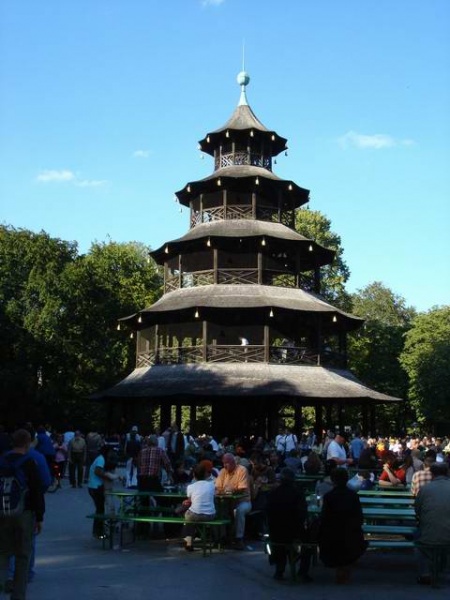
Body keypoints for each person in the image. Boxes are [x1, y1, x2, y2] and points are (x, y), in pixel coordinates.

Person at [0, 429, 45, 600]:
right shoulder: (29, 462)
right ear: (27, 443)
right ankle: (18, 595)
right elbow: (37, 491)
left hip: (2, 511)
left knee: (2, 552)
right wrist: (39, 517)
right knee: (22, 554)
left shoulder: (2, 460)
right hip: (24, 513)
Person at [319, 468, 367, 584]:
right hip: (350, 532)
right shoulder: (353, 496)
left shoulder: (329, 496)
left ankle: (340, 569)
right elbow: (359, 516)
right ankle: (344, 568)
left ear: (333, 480)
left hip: (333, 533)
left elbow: (325, 517)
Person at [266, 467, 312, 582]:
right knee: (309, 543)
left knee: (279, 541)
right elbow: (302, 515)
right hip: (293, 533)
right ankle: (303, 572)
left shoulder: (273, 493)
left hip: (275, 532)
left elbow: (267, 513)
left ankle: (279, 570)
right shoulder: (298, 493)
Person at [415, 462, 450, 585]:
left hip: (428, 537)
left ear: (432, 474)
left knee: (417, 537)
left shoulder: (424, 489)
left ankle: (424, 573)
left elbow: (417, 511)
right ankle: (442, 567)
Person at [215, 453, 252, 550]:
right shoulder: (222, 471)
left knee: (239, 511)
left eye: (226, 463)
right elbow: (218, 488)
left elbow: (242, 488)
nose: (224, 465)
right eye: (223, 463)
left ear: (233, 462)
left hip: (243, 501)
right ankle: (222, 537)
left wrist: (229, 490)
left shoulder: (242, 470)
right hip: (227, 501)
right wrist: (226, 491)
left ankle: (239, 538)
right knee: (218, 510)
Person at [182, 463, 216, 551]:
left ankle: (189, 541)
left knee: (188, 515)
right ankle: (214, 538)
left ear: (193, 475)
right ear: (205, 474)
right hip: (210, 515)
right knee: (191, 515)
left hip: (195, 515)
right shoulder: (211, 485)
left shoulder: (190, 487)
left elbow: (190, 502)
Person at [87, 445, 115, 539]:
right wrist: (108, 476)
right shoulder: (101, 459)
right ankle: (98, 532)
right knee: (100, 510)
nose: (112, 454)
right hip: (96, 486)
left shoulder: (99, 458)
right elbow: (97, 471)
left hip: (93, 486)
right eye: (111, 452)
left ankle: (98, 531)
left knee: (99, 509)